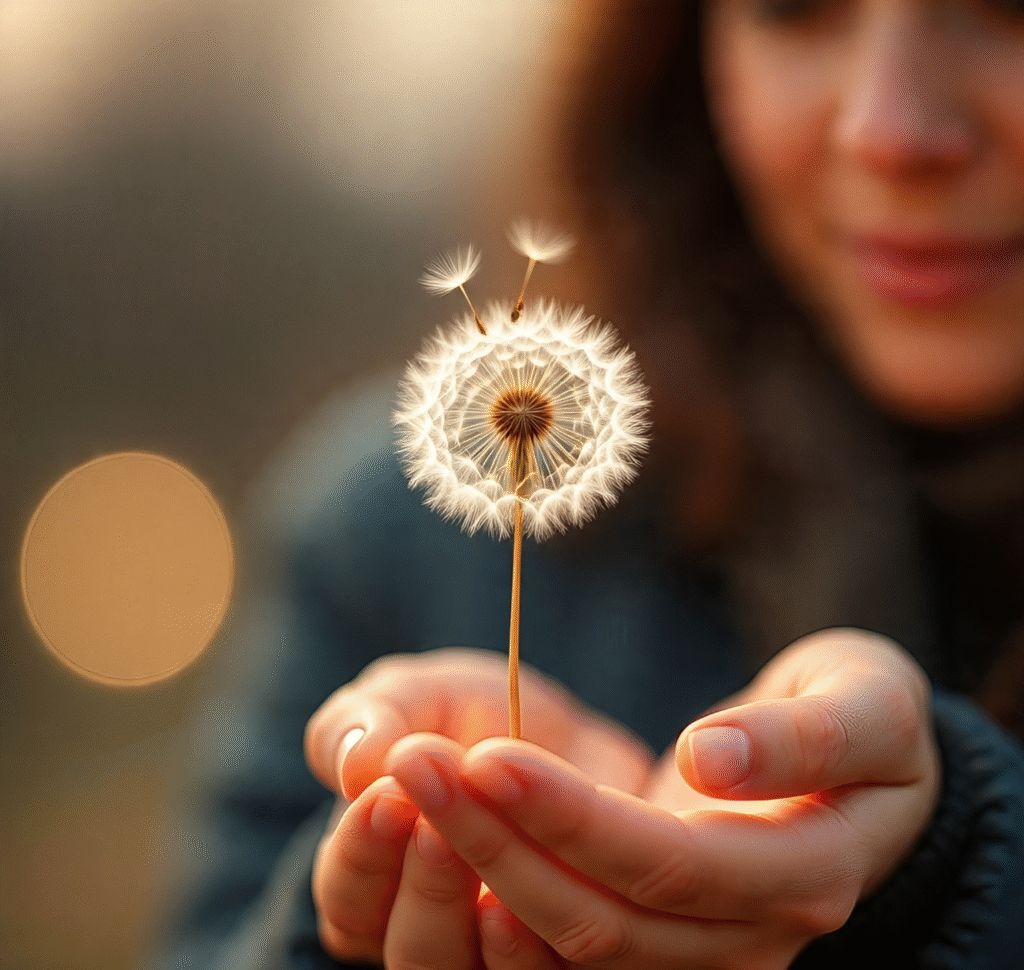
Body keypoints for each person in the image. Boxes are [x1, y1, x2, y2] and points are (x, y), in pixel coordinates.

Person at [148, 1, 1024, 968]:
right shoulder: (391, 545)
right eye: (793, 8)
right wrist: (348, 926)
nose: (889, 130)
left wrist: (956, 874)